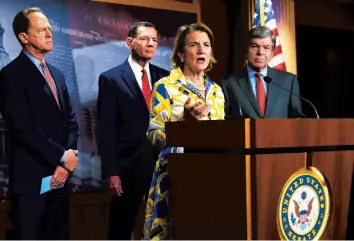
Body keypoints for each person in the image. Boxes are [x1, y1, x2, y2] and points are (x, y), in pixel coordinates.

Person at [0, 7, 79, 239]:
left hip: (61, 179)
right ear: (23, 37)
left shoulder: (58, 74)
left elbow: (71, 123)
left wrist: (64, 166)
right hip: (32, 182)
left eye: (50, 29)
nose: (49, 33)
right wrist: (62, 157)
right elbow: (23, 128)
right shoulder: (10, 75)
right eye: (42, 29)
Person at [143, 23, 225, 240]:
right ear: (180, 53)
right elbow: (153, 137)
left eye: (206, 45)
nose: (202, 50)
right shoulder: (165, 87)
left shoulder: (217, 92)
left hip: (213, 177)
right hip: (175, 180)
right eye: (194, 45)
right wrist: (182, 123)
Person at [97, 21, 169, 240]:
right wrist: (112, 172)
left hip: (161, 168)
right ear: (129, 42)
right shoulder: (111, 78)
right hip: (127, 169)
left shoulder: (165, 78)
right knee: (120, 229)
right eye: (145, 38)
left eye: (155, 40)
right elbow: (106, 129)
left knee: (163, 229)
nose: (150, 44)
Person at [221, 26, 303, 118]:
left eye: (266, 47)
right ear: (245, 50)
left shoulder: (288, 81)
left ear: (272, 53)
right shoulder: (229, 83)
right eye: (255, 46)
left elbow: (297, 120)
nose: (260, 52)